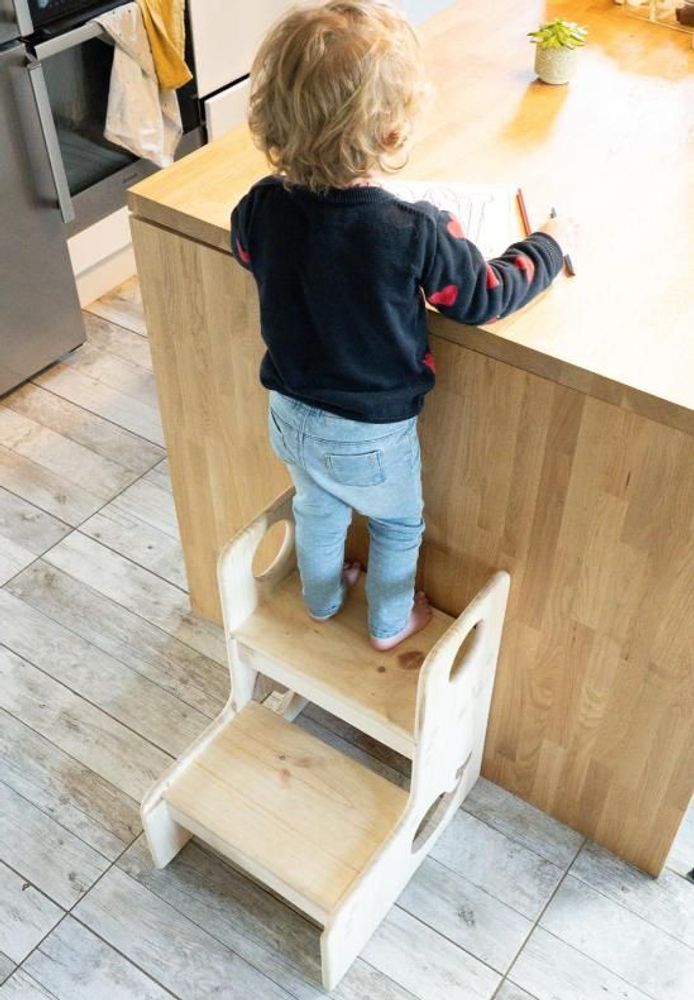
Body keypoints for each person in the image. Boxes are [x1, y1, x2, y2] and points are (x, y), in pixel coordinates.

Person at [231, 0, 571, 651]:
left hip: (288, 413)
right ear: (392, 133)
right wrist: (550, 244)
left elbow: (250, 254)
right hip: (369, 434)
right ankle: (390, 623)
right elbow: (485, 297)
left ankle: (323, 599)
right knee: (396, 525)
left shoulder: (260, 206)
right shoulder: (412, 229)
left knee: (317, 506)